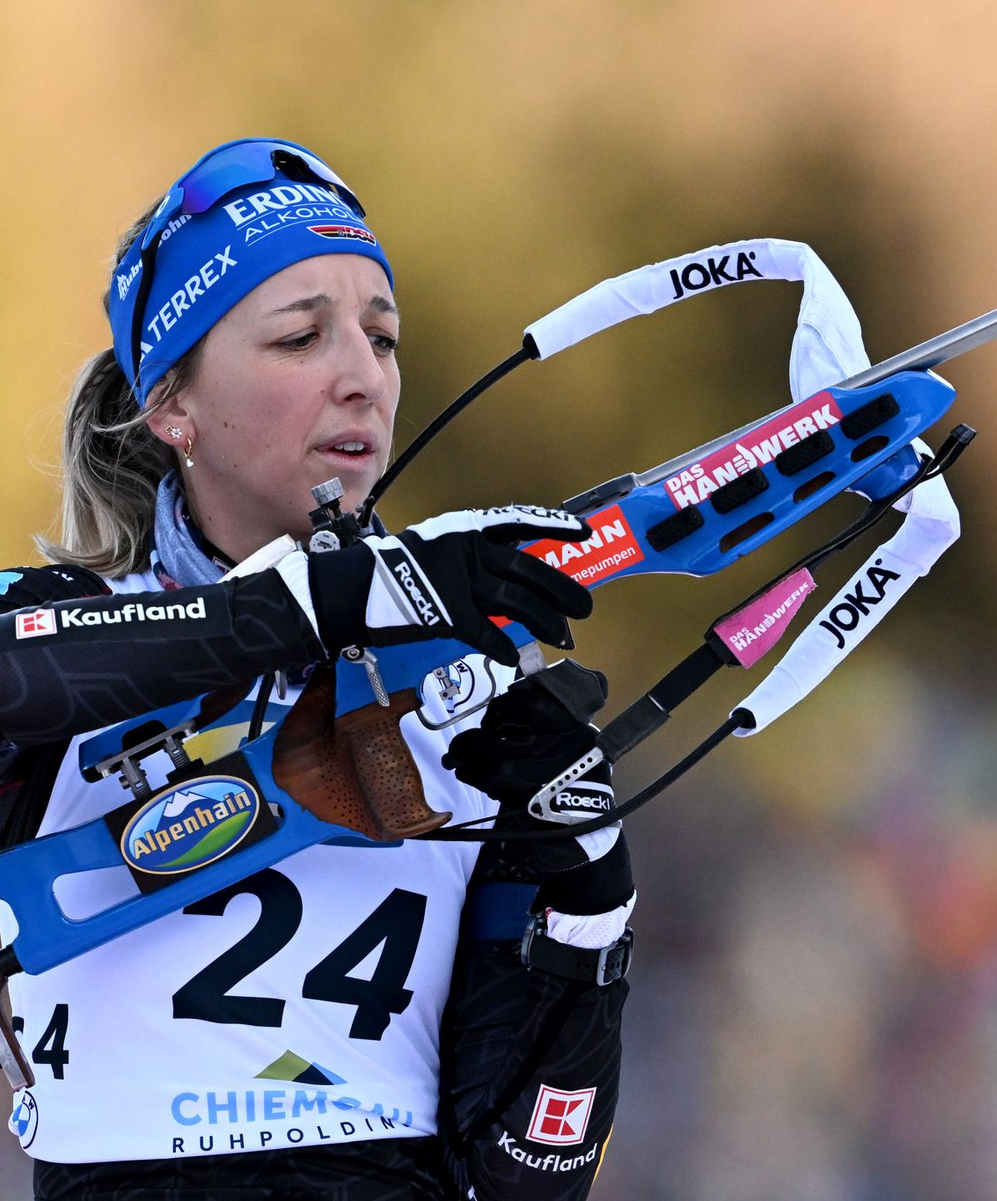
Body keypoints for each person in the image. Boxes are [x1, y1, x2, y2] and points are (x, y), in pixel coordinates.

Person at [0, 138, 634, 1200]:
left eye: (382, 339)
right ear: (171, 406)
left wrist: (584, 882)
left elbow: (528, 1170)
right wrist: (325, 599)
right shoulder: (56, 629)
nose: (362, 378)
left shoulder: (449, 686)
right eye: (302, 336)